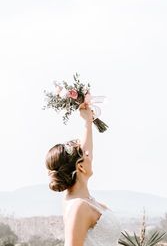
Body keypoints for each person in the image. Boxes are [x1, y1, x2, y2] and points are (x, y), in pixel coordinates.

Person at [45, 103, 121, 246]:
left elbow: (87, 150)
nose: (90, 156)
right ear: (80, 167)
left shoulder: (83, 200)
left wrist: (87, 120)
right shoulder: (79, 207)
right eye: (86, 155)